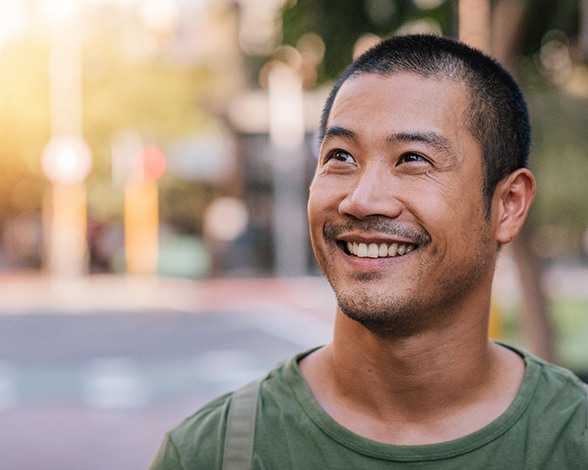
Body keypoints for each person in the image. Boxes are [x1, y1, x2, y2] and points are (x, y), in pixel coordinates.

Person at [150, 34, 588, 469]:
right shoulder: (214, 454)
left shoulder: (573, 440)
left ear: (508, 205)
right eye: (341, 156)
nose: (361, 200)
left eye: (413, 159)